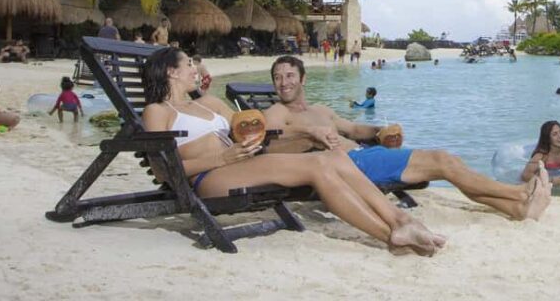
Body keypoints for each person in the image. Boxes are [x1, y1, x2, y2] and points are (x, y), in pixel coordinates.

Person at [140, 47, 446, 256]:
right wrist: (221, 157)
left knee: (333, 157)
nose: (195, 68)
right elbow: (162, 171)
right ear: (171, 72)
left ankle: (398, 223)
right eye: (188, 64)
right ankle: (390, 234)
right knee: (317, 166)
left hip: (242, 164)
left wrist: (292, 132)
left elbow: (254, 126)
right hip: (209, 177)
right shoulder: (157, 111)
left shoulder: (208, 102)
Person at [264, 56, 552, 221]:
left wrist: (381, 131)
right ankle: (519, 193)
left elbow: (354, 130)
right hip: (349, 166)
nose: (284, 82)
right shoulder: (276, 112)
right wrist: (309, 133)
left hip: (365, 156)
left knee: (449, 163)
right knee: (443, 161)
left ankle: (517, 208)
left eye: (290, 75)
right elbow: (269, 144)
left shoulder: (321, 110)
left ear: (303, 79)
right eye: (278, 77)